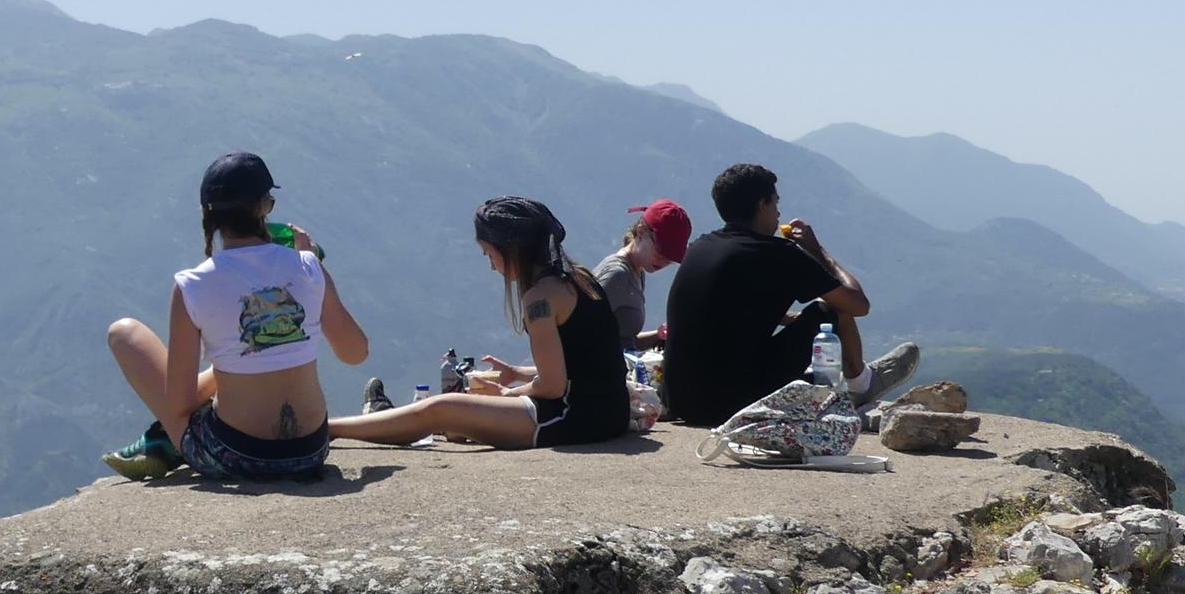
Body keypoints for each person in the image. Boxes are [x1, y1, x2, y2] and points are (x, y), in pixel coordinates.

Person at [101, 152, 370, 481]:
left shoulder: (192, 285)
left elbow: (180, 403)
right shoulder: (307, 266)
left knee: (123, 332)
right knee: (236, 365)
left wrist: (236, 354)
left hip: (238, 454)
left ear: (207, 215)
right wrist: (314, 267)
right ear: (265, 207)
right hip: (310, 450)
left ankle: (162, 441)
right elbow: (356, 353)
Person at [328, 197, 631, 451]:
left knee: (441, 409)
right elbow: (584, 364)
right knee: (457, 421)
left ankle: (329, 429)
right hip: (609, 412)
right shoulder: (579, 278)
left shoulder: (540, 298)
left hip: (573, 417)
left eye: (490, 254)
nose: (491, 265)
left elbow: (552, 387)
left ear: (511, 250)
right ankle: (381, 419)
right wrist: (519, 374)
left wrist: (507, 394)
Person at [662, 162, 919, 429]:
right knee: (830, 311)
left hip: (683, 402)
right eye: (775, 204)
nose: (778, 213)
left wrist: (789, 320)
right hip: (733, 404)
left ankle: (841, 381)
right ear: (762, 204)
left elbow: (729, 311)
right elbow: (857, 304)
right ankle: (862, 384)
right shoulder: (779, 254)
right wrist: (816, 250)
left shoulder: (700, 247)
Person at [590, 199, 690, 346]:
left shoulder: (637, 271)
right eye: (661, 252)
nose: (664, 261)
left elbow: (624, 341)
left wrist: (658, 336)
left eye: (671, 258)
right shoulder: (616, 275)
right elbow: (581, 331)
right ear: (641, 231)